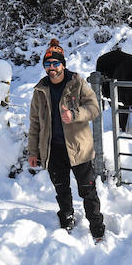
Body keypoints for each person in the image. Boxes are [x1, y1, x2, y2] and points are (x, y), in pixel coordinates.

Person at [27, 39, 105, 243]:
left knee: (88, 191)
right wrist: (33, 152)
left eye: (55, 63)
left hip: (79, 149)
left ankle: (96, 227)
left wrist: (75, 114)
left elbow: (95, 108)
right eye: (47, 64)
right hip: (53, 150)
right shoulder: (40, 90)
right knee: (61, 189)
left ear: (63, 64)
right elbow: (35, 123)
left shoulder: (77, 83)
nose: (51, 68)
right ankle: (67, 218)